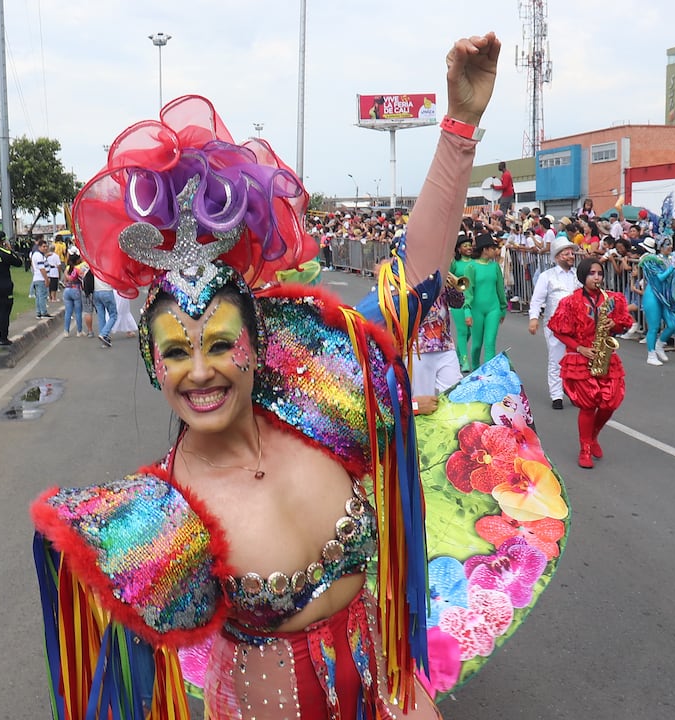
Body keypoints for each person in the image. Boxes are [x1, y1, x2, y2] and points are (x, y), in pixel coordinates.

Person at [33, 32, 512, 719]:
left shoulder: (322, 404)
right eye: (175, 353)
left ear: (257, 345)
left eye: (221, 344)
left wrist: (459, 129)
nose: (201, 372)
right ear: (152, 364)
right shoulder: (164, 513)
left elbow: (415, 280)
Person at [548, 258, 633, 469]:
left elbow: (625, 324)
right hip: (581, 356)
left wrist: (616, 324)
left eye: (599, 273)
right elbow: (558, 330)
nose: (597, 277)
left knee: (611, 401)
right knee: (588, 405)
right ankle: (584, 448)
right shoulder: (570, 302)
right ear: (583, 276)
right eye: (592, 273)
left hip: (605, 355)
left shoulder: (612, 299)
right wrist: (580, 348)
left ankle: (593, 435)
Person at [528, 237, 580, 409]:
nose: (571, 256)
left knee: (575, 359)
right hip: (554, 325)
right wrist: (534, 318)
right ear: (558, 257)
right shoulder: (547, 276)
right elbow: (537, 300)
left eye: (572, 253)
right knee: (556, 358)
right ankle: (556, 395)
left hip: (576, 325)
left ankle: (572, 390)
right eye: (566, 254)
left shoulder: (578, 275)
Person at [637, 236, 675, 365]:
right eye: (667, 244)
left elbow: (672, 281)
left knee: (672, 324)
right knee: (654, 327)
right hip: (653, 296)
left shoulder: (669, 260)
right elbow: (660, 279)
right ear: (660, 246)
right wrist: (672, 268)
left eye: (671, 244)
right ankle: (651, 354)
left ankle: (659, 345)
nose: (670, 247)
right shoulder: (652, 260)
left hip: (665, 297)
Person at [464, 234, 506, 369]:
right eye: (493, 248)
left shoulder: (495, 267)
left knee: (490, 342)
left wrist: (503, 308)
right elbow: (468, 292)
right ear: (485, 249)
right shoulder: (471, 267)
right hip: (476, 310)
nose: (496, 251)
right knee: (476, 344)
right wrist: (467, 311)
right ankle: (475, 368)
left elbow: (500, 289)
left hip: (493, 309)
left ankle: (489, 373)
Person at [449, 234, 474, 371]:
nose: (468, 248)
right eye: (465, 246)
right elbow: (448, 277)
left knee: (470, 331)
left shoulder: (474, 262)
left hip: (472, 301)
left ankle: (458, 355)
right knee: (463, 331)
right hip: (458, 301)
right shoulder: (455, 264)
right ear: (459, 249)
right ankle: (465, 361)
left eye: (470, 245)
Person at [90, 271, 119, 347]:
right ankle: (104, 334)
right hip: (107, 291)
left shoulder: (95, 266)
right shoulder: (108, 267)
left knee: (101, 316)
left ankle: (104, 340)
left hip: (96, 292)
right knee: (113, 315)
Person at [61, 255, 85, 337]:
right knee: (78, 312)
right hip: (76, 290)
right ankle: (79, 331)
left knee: (68, 312)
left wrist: (66, 275)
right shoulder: (78, 269)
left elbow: (65, 280)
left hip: (67, 290)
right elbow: (80, 278)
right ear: (77, 261)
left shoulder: (67, 268)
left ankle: (66, 331)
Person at [29, 240, 51, 318]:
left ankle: (39, 312)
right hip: (41, 278)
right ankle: (43, 312)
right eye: (43, 247)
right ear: (39, 247)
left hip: (37, 278)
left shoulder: (37, 255)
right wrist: (46, 279)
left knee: (38, 296)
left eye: (46, 246)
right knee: (42, 296)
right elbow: (42, 268)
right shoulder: (39, 256)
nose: (45, 248)